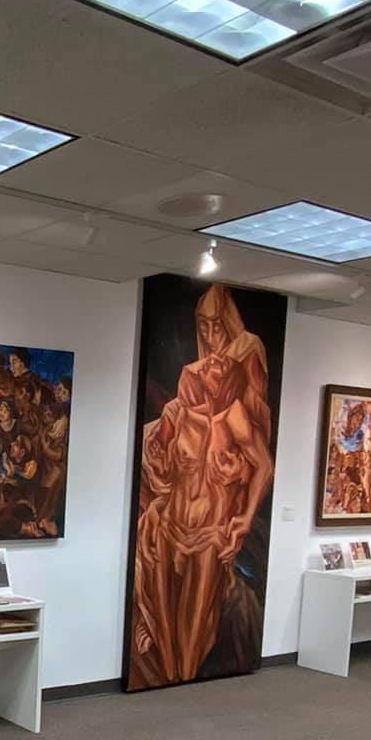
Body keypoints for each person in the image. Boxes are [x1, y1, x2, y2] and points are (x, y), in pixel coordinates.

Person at [128, 284, 274, 690]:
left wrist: (243, 517)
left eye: (217, 328)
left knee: (194, 627)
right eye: (203, 328)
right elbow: (150, 457)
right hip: (171, 526)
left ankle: (185, 693)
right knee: (168, 628)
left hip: (209, 532)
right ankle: (166, 683)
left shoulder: (235, 417)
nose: (211, 353)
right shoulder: (176, 413)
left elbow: (264, 465)